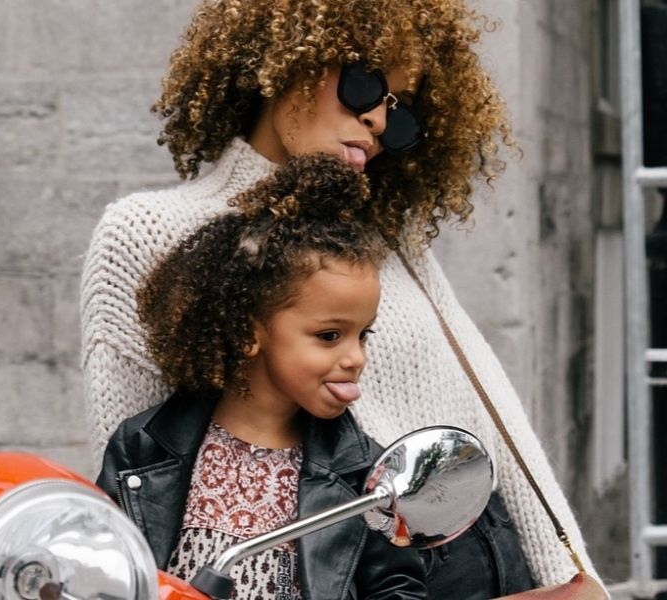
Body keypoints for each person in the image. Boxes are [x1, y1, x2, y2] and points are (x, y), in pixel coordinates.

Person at [81, 0, 600, 596]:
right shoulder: (148, 232)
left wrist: (576, 574)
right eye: (365, 84)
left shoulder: (388, 241)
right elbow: (141, 486)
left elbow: (493, 415)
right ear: (290, 56)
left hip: (486, 557)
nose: (379, 120)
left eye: (401, 112)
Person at [97, 154, 427, 599]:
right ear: (248, 332)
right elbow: (101, 572)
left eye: (362, 335)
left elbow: (396, 587)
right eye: (330, 335)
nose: (356, 357)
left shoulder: (364, 476)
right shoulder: (143, 447)